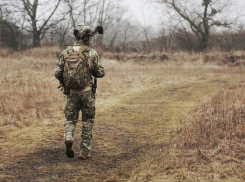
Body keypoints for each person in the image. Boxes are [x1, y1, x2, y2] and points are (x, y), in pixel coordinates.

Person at [55, 23, 105, 160]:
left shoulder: (67, 52)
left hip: (72, 93)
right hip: (87, 92)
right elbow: (101, 73)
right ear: (87, 38)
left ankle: (69, 136)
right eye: (90, 37)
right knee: (88, 121)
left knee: (70, 119)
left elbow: (57, 72)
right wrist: (91, 70)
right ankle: (84, 152)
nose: (91, 39)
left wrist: (65, 83)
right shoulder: (91, 53)